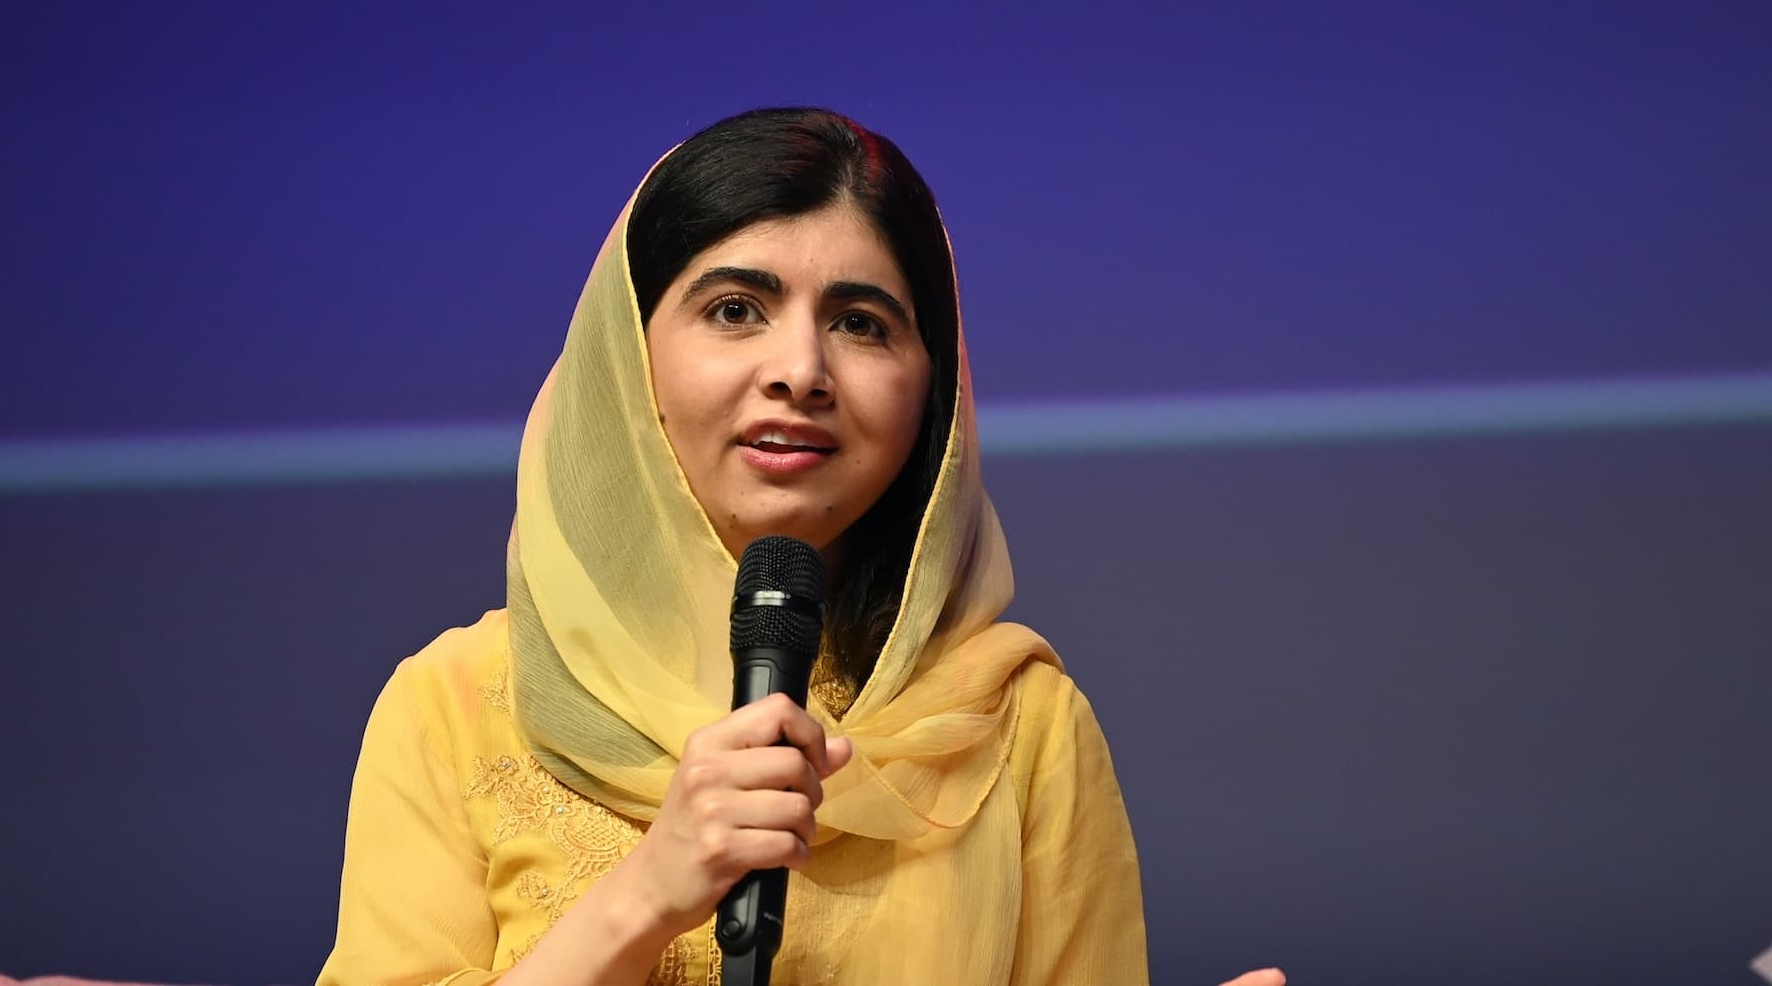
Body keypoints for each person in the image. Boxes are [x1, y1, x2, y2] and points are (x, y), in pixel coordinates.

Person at [316, 108, 1282, 986]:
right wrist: (645, 896)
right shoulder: (456, 704)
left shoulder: (1020, 726)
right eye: (736, 309)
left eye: (861, 325)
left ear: (931, 396)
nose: (801, 372)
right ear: (628, 357)